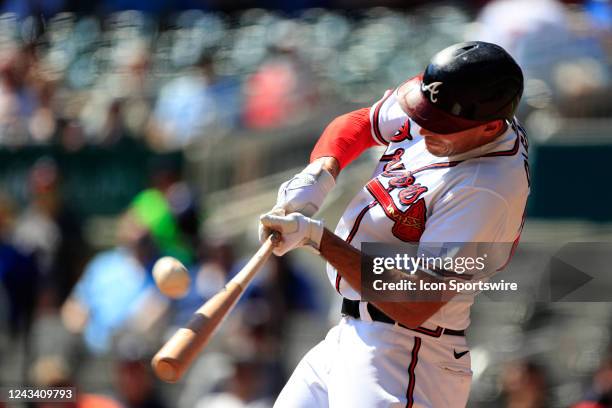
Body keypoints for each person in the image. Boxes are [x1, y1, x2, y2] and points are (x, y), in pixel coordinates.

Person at [259, 41, 529, 407]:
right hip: (351, 335)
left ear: (490, 127)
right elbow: (360, 123)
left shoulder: (488, 189)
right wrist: (321, 172)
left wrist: (316, 237)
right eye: (426, 112)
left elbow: (415, 301)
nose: (426, 125)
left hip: (408, 356)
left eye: (443, 124)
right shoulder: (447, 99)